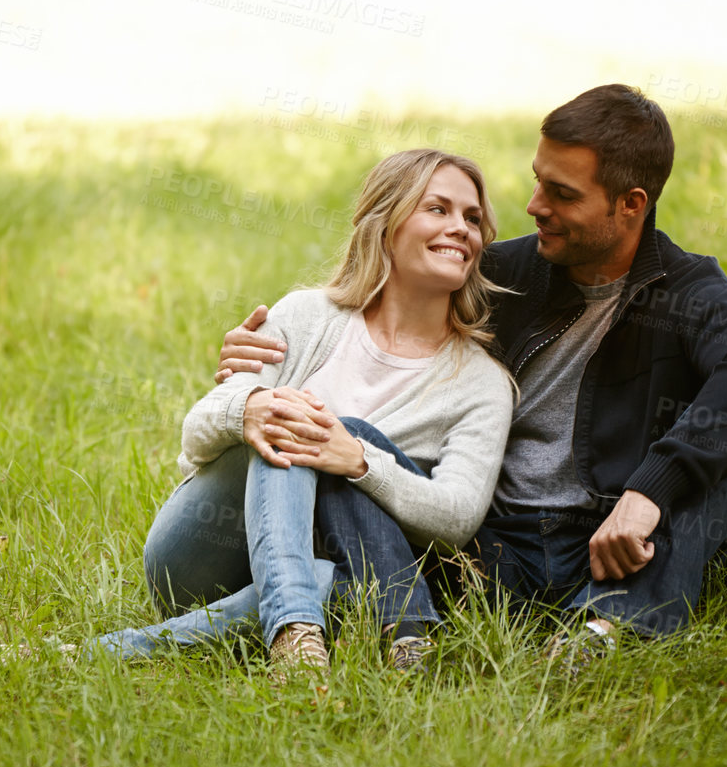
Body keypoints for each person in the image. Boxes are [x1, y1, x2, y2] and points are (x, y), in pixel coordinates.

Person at [216, 85, 727, 666]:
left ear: (631, 204)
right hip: (485, 546)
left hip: (615, 550)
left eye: (562, 193)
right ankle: (402, 631)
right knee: (349, 439)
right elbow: (383, 301)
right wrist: (269, 351)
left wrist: (650, 490)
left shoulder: (689, 294)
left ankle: (603, 632)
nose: (534, 205)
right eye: (537, 179)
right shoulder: (505, 272)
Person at [88, 149, 516, 674]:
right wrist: (247, 409)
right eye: (438, 210)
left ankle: (281, 633)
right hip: (208, 550)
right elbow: (195, 437)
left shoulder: (482, 384)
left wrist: (358, 460)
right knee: (291, 414)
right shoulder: (305, 316)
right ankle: (295, 622)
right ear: (387, 225)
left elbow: (456, 518)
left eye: (473, 218)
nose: (461, 229)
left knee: (335, 580)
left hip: (336, 574)